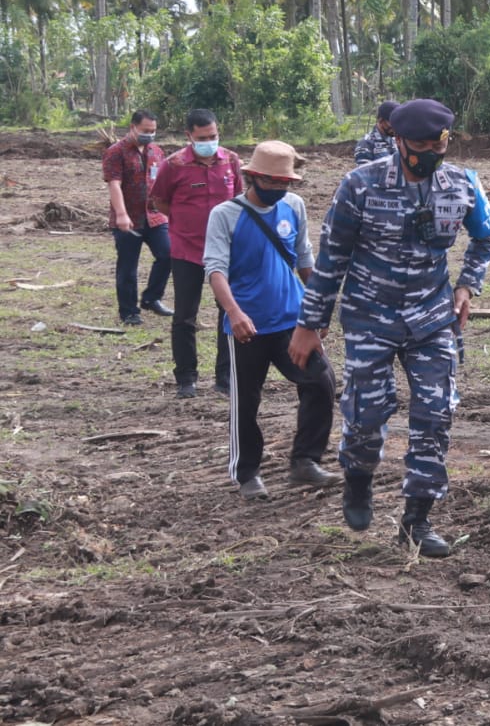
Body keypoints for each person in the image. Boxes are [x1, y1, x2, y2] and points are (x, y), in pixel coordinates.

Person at [289, 98, 490, 559]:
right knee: (366, 411)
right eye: (420, 145)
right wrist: (311, 323)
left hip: (432, 316)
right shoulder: (360, 185)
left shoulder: (462, 184)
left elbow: (486, 235)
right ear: (397, 141)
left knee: (436, 411)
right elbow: (331, 260)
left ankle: (417, 519)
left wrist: (467, 286)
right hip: (371, 315)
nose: (429, 152)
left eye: (438, 143)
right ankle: (358, 480)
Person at [204, 141, 340, 500]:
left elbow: (305, 260)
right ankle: (247, 473)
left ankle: (305, 460)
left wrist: (319, 307)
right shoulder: (225, 214)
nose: (280, 189)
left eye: (286, 183)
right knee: (246, 401)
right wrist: (234, 314)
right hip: (246, 326)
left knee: (321, 382)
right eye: (273, 183)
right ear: (253, 177)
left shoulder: (293, 207)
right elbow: (215, 270)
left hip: (292, 322)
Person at [150, 108, 245, 398]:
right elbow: (160, 201)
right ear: (189, 136)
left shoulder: (231, 161)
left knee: (228, 313)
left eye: (213, 136)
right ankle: (186, 379)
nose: (209, 141)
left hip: (226, 250)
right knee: (184, 316)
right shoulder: (174, 164)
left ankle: (225, 377)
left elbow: (239, 199)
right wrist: (184, 221)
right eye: (202, 137)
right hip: (186, 250)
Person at [103, 110, 172, 327]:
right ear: (133, 127)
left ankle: (152, 298)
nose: (149, 135)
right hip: (128, 219)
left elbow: (162, 184)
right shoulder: (116, 152)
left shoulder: (157, 152)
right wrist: (121, 214)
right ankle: (129, 311)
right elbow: (114, 184)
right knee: (128, 267)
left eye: (153, 131)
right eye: (145, 131)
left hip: (155, 217)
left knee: (168, 254)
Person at [353, 101, 399, 165]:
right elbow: (364, 173)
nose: (396, 127)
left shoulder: (397, 140)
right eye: (392, 123)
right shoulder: (366, 143)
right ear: (380, 120)